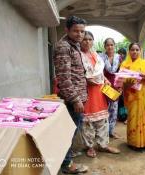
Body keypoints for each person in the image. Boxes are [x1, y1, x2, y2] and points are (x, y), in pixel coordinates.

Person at [53, 16, 88, 174]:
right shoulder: (64, 47)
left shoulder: (74, 46)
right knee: (68, 132)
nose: (79, 34)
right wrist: (75, 100)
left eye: (82, 31)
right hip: (72, 100)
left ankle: (66, 157)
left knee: (71, 131)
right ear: (67, 30)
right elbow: (64, 78)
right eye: (76, 31)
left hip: (78, 97)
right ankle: (66, 164)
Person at [80, 31, 120, 158]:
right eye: (85, 39)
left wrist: (106, 80)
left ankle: (103, 145)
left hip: (99, 89)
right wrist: (85, 80)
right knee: (88, 121)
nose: (87, 42)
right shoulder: (78, 55)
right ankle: (90, 146)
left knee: (102, 119)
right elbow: (76, 73)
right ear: (80, 41)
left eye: (90, 39)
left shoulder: (95, 55)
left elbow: (99, 72)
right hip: (86, 91)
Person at [120, 42, 145, 151]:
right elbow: (121, 81)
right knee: (132, 117)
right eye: (132, 50)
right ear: (129, 51)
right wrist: (128, 82)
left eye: (137, 50)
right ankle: (132, 142)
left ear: (140, 51)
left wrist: (140, 76)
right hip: (131, 94)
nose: (135, 52)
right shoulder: (124, 64)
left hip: (144, 93)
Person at [100, 38, 122, 139]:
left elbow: (122, 72)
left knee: (114, 109)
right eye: (108, 45)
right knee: (105, 109)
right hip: (105, 86)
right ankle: (103, 132)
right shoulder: (101, 58)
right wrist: (104, 80)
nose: (110, 47)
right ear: (104, 46)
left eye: (112, 45)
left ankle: (111, 131)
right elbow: (99, 72)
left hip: (116, 85)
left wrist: (121, 86)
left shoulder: (119, 58)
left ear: (114, 46)